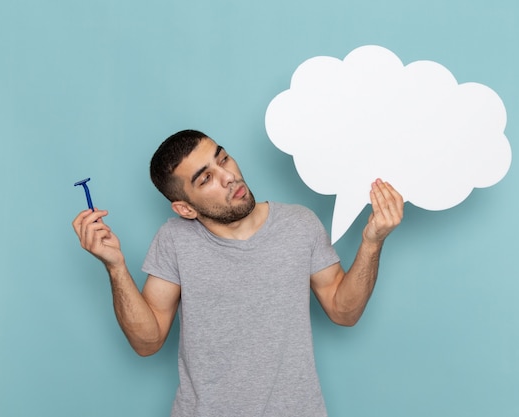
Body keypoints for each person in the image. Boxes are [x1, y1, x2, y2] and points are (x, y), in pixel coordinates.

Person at [72, 129, 404, 417]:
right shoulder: (173, 240)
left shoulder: (299, 224)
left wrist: (372, 242)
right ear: (185, 208)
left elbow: (343, 311)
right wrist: (115, 267)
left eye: (224, 159)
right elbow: (148, 341)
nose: (228, 176)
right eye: (206, 178)